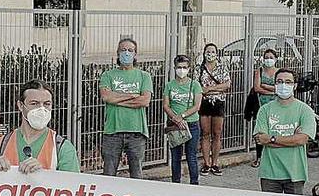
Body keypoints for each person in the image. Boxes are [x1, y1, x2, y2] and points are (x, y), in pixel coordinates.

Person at [252, 69, 316, 194]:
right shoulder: (265, 110)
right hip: (269, 174)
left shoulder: (305, 110)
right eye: (279, 82)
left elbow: (302, 139)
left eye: (288, 82)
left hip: (295, 174)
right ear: (275, 85)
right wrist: (292, 139)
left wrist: (271, 139)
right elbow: (260, 139)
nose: (283, 85)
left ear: (295, 85)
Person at [99, 38, 152, 178]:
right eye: (123, 50)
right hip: (112, 131)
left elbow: (145, 101)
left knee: (137, 175)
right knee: (109, 174)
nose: (126, 53)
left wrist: (117, 100)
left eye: (130, 50)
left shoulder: (144, 76)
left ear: (135, 54)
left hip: (136, 132)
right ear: (117, 53)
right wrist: (132, 96)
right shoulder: (107, 75)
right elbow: (106, 97)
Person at [162, 55, 203, 185]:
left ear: (189, 68)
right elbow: (166, 105)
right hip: (175, 126)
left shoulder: (195, 85)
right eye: (179, 67)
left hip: (191, 124)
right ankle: (175, 183)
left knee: (191, 156)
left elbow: (197, 106)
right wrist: (175, 118)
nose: (182, 70)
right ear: (175, 68)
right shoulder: (170, 85)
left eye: (184, 67)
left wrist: (182, 116)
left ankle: (194, 183)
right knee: (175, 157)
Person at [197, 42, 231, 176]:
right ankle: (206, 163)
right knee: (205, 133)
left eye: (213, 52)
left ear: (217, 54)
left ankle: (215, 163)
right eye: (208, 51)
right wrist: (214, 89)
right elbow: (197, 87)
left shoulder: (222, 67)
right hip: (204, 103)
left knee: (217, 133)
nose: (210, 54)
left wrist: (210, 89)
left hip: (218, 102)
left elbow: (227, 84)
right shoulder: (199, 69)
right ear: (204, 53)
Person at [250, 49, 279, 168]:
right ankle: (259, 157)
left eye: (271, 57)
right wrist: (273, 91)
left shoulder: (279, 72)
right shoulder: (259, 71)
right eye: (266, 57)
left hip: (276, 105)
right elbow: (257, 88)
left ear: (276, 59)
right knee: (261, 129)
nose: (268, 60)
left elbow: (280, 89)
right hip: (261, 104)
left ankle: (273, 157)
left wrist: (266, 86)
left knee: (275, 129)